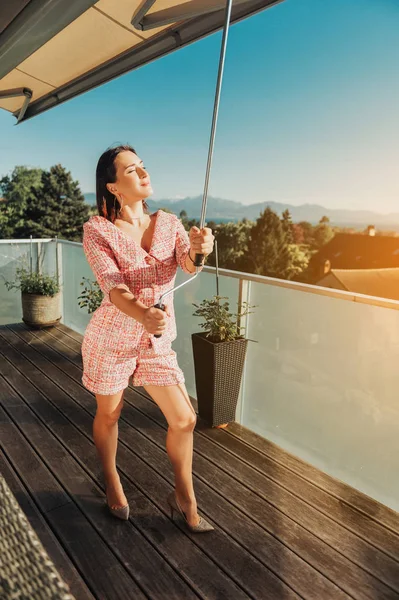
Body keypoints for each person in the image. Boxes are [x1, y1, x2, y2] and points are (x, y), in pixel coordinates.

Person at [81, 144, 215, 532]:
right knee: (109, 413)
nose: (143, 174)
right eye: (131, 170)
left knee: (184, 419)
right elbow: (112, 286)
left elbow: (188, 264)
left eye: (143, 167)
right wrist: (143, 314)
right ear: (113, 187)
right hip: (112, 338)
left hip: (155, 342)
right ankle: (111, 481)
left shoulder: (169, 222)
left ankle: (183, 496)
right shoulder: (98, 230)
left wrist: (199, 251)